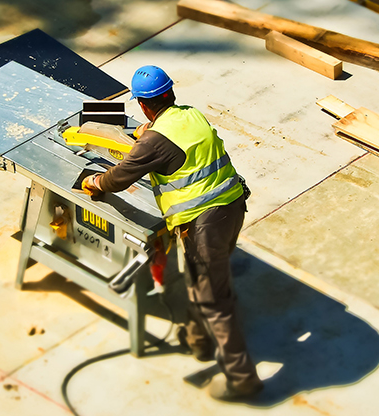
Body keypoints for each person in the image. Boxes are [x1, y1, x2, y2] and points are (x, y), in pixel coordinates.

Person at [80, 65, 262, 402]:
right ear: (170, 94)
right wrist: (151, 132)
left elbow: (120, 178)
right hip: (233, 207)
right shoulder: (189, 115)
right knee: (201, 279)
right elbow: (172, 141)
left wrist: (95, 182)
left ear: (143, 105)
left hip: (203, 224)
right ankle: (200, 341)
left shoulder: (153, 141)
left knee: (214, 299)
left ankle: (243, 378)